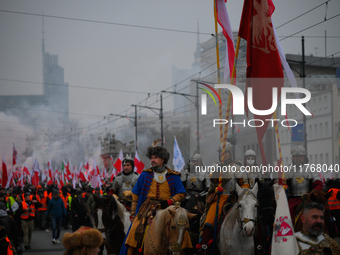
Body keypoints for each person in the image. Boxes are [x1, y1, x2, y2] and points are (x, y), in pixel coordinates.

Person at [120, 144, 190, 255]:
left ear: (163, 159)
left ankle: (186, 250)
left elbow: (181, 193)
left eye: (155, 157)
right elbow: (136, 195)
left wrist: (169, 201)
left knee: (180, 227)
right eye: (151, 157)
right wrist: (133, 214)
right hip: (147, 207)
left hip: (169, 207)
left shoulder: (174, 176)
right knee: (134, 230)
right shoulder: (145, 175)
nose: (152, 160)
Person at [197, 141, 249, 254]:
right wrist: (219, 171)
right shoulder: (216, 166)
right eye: (223, 153)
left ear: (231, 154)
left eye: (227, 153)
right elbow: (212, 179)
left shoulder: (238, 167)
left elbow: (244, 183)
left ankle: (259, 246)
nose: (225, 155)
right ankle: (204, 246)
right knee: (210, 219)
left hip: (235, 198)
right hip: (220, 198)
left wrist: (241, 191)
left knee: (252, 216)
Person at [285, 145, 323, 218]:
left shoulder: (311, 169)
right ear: (293, 158)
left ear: (304, 157)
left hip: (308, 199)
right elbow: (282, 185)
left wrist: (313, 194)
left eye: (300, 156)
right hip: (293, 200)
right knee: (287, 214)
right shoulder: (288, 170)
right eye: (296, 157)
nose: (298, 159)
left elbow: (318, 184)